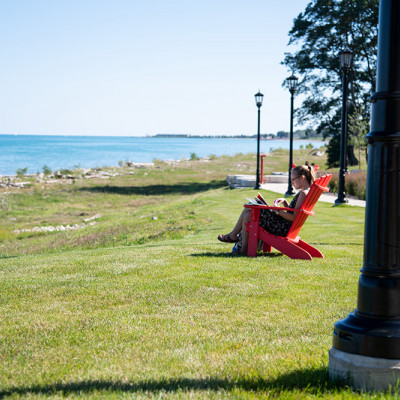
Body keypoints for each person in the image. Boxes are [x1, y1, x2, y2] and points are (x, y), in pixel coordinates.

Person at [217, 165, 316, 255]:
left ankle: (239, 244)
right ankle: (237, 240)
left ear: (302, 178)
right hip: (285, 226)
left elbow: (293, 217)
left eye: (293, 180)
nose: (292, 183)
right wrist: (285, 202)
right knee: (248, 211)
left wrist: (278, 211)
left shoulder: (303, 193)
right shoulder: (305, 192)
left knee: (249, 212)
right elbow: (294, 212)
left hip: (282, 228)